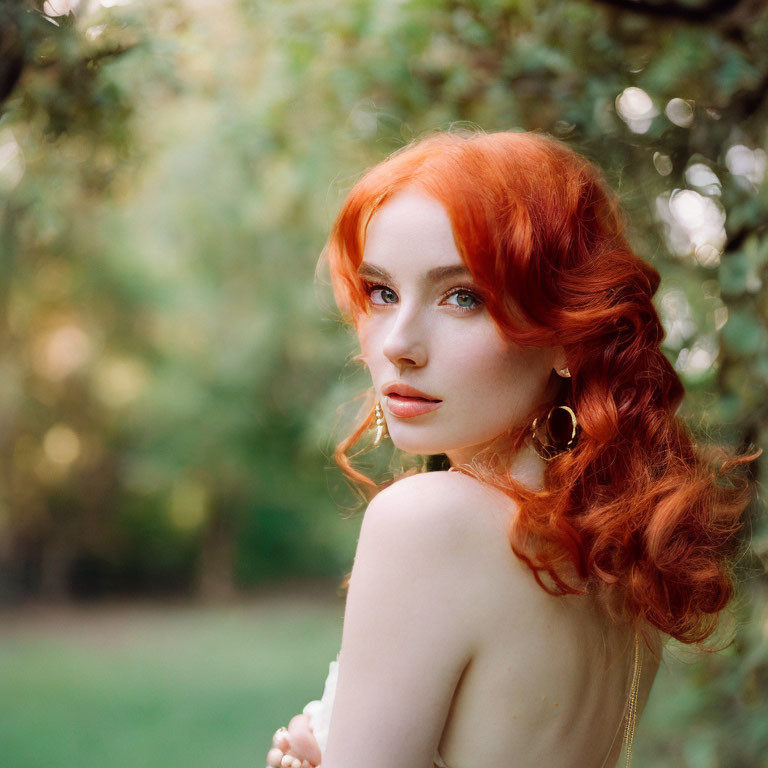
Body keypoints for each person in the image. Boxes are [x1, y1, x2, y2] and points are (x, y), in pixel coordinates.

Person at [264, 129, 759, 768]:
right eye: (382, 292)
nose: (398, 343)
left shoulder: (426, 521)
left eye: (463, 296)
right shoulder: (615, 551)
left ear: (565, 334)